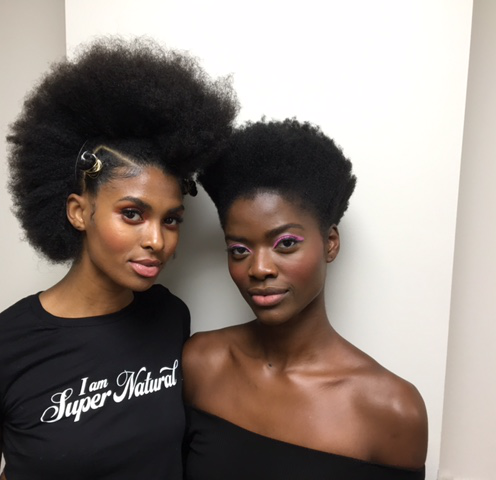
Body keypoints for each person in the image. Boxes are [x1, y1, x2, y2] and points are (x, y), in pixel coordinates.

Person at [0, 37, 237, 480]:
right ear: (79, 212)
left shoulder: (169, 316)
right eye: (132, 214)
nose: (156, 240)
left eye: (171, 220)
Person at [183, 119, 427, 479]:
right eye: (239, 249)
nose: (259, 269)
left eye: (286, 244)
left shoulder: (391, 409)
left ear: (330, 243)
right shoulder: (202, 364)